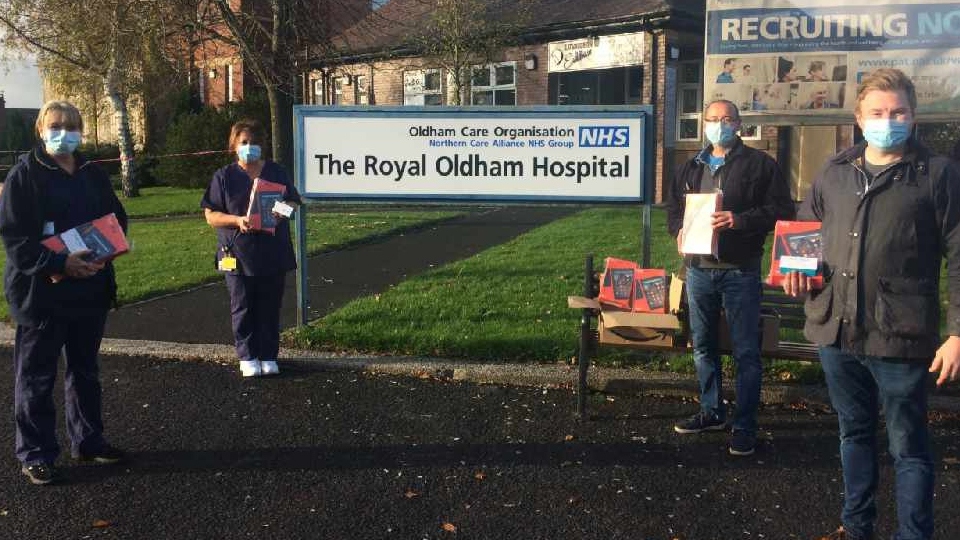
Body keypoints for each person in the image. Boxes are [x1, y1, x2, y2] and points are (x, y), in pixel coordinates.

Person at [783, 68, 960, 540]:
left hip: (899, 335)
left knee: (909, 447)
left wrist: (957, 332)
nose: (889, 120)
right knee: (853, 433)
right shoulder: (835, 171)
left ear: (914, 116)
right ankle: (856, 526)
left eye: (898, 111)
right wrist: (798, 272)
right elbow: (806, 228)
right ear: (859, 119)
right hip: (836, 330)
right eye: (878, 112)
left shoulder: (938, 175)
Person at [0, 101, 129, 485]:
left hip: (89, 287)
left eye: (71, 126)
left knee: (85, 370)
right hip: (42, 293)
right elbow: (16, 240)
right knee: (37, 377)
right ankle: (36, 453)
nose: (64, 132)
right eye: (55, 125)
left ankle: (88, 440)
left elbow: (115, 218)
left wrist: (107, 251)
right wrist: (59, 265)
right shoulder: (24, 176)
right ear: (40, 129)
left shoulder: (91, 172)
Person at [665, 99, 794, 456]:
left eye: (726, 119)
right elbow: (675, 209)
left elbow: (782, 210)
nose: (719, 125)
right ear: (702, 123)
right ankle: (711, 411)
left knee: (746, 352)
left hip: (740, 270)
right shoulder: (690, 166)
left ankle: (744, 425)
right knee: (703, 346)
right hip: (698, 272)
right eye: (712, 119)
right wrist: (678, 230)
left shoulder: (760, 165)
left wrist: (740, 220)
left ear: (738, 124)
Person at [201, 119, 302, 378]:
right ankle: (247, 355)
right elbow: (211, 215)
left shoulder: (276, 172)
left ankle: (268, 354)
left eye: (254, 142)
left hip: (272, 250)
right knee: (242, 305)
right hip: (236, 252)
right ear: (234, 145)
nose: (249, 147)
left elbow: (293, 202)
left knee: (270, 306)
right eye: (244, 142)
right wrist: (236, 221)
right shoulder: (223, 177)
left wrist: (279, 213)